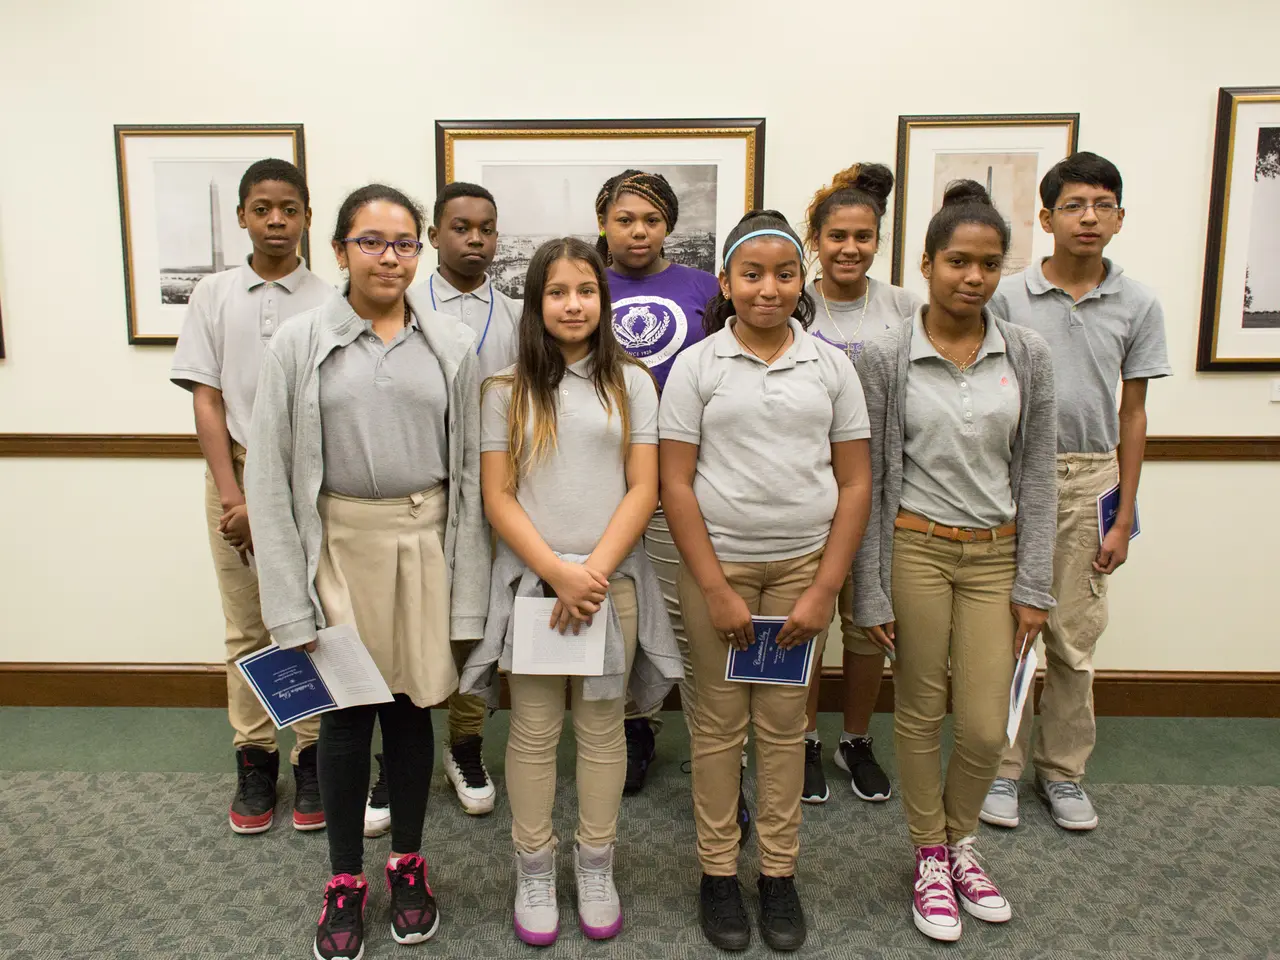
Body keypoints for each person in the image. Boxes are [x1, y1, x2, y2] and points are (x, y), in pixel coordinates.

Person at [246, 184, 490, 960]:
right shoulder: (299, 341)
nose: (391, 258)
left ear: (420, 251)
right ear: (341, 248)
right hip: (337, 548)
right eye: (372, 242)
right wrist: (287, 605)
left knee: (413, 708)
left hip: (424, 546)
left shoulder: (450, 343)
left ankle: (409, 862)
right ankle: (345, 879)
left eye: (404, 244)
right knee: (349, 715)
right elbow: (272, 477)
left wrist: (471, 585)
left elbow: (472, 477)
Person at [660, 211, 872, 952]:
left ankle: (777, 873)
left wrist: (824, 590)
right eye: (752, 274)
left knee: (784, 729)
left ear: (802, 281)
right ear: (726, 282)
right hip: (718, 569)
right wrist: (715, 587)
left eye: (784, 274)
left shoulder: (831, 366)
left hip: (801, 572)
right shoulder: (698, 366)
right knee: (717, 729)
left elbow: (854, 483)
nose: (768, 288)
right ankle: (718, 871)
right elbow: (676, 484)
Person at [460, 237, 681, 946]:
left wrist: (591, 573)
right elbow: (498, 497)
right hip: (534, 586)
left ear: (603, 299)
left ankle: (594, 862)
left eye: (586, 290)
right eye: (557, 291)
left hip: (610, 583)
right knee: (531, 731)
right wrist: (556, 571)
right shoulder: (504, 389)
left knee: (601, 728)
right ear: (536, 302)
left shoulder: (633, 382)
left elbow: (644, 485)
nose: (573, 303)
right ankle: (532, 867)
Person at [852, 181, 1057, 942]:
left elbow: (1037, 472)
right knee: (916, 709)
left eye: (989, 264)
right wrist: (870, 592)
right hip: (915, 547)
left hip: (996, 556)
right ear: (928, 263)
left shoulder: (1028, 353)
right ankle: (931, 854)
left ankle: (961, 837)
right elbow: (869, 481)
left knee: (981, 727)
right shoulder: (885, 355)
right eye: (958, 262)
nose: (973, 277)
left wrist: (1035, 583)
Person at [981, 152, 1171, 833]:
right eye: (1073, 205)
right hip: (1009, 474)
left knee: (1072, 639)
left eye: (1101, 205)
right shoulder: (1006, 298)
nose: (1088, 217)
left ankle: (1062, 774)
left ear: (1119, 217)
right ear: (1046, 218)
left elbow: (1134, 412)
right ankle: (1000, 771)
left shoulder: (1138, 302)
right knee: (1005, 635)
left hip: (1092, 476)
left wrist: (1121, 517)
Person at [169, 158, 334, 835]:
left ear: (306, 219)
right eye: (262, 207)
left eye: (288, 209)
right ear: (242, 215)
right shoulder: (213, 294)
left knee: (311, 623)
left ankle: (316, 753)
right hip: (231, 473)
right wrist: (236, 496)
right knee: (247, 626)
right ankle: (256, 755)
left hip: (308, 480)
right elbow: (206, 400)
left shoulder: (330, 298)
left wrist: (279, 500)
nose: (275, 220)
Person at [362, 181, 517, 831]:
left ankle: (464, 743)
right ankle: (395, 758)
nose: (474, 239)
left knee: (474, 625)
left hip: (496, 491)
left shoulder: (514, 314)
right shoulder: (404, 307)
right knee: (405, 622)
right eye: (460, 227)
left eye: (486, 228)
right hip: (421, 494)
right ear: (433, 237)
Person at [594, 169, 723, 797]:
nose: (638, 231)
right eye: (625, 219)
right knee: (622, 609)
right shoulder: (586, 285)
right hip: (603, 474)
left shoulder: (704, 286)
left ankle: (714, 743)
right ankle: (633, 727)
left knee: (688, 610)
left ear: (669, 223)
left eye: (650, 219)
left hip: (684, 476)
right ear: (604, 225)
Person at [798, 162, 924, 806]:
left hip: (884, 490)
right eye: (837, 236)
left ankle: (855, 738)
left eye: (863, 236)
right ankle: (806, 742)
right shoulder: (791, 299)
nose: (850, 248)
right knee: (808, 623)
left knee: (871, 620)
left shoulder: (905, 307)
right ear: (815, 239)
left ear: (878, 239)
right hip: (808, 488)